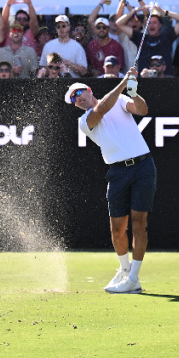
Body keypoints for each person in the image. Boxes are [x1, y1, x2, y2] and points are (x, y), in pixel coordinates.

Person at [67, 72, 152, 294]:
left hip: (143, 166)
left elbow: (142, 110)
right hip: (117, 171)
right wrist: (124, 82)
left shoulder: (121, 100)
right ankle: (124, 270)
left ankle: (134, 278)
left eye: (78, 93)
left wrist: (133, 92)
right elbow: (102, 110)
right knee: (117, 228)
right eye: (73, 99)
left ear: (89, 90)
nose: (78, 99)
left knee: (139, 224)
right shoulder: (84, 121)